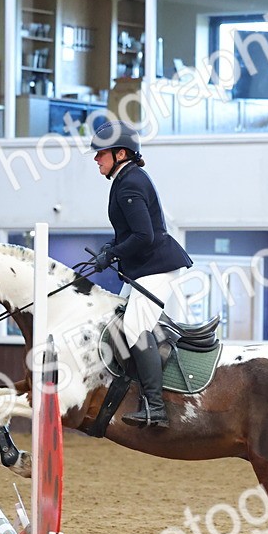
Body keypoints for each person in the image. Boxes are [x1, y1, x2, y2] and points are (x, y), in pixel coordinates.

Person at [90, 121, 193, 428]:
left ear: (121, 153)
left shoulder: (130, 183)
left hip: (157, 265)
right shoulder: (125, 180)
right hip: (147, 266)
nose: (96, 159)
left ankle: (157, 407)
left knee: (135, 328)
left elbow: (144, 236)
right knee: (119, 318)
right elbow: (130, 233)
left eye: (101, 154)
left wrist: (113, 253)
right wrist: (112, 246)